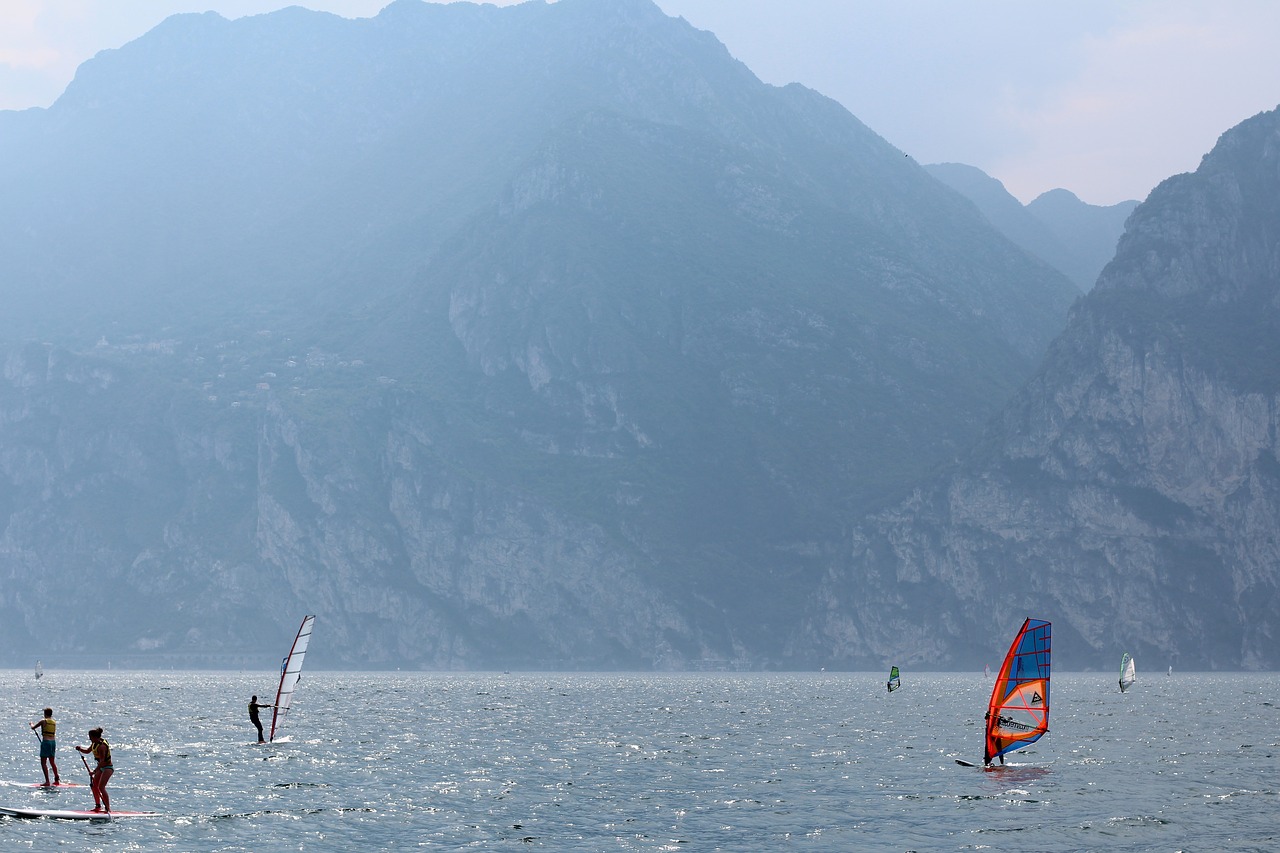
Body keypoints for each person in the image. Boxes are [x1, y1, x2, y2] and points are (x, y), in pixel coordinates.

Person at [75, 728, 112, 812]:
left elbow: (102, 762)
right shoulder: (94, 744)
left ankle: (108, 808)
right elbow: (87, 751)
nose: (89, 739)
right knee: (94, 785)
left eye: (90, 737)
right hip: (101, 767)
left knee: (101, 787)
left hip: (107, 768)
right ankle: (98, 806)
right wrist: (80, 749)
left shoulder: (102, 746)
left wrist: (94, 771)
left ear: (95, 737)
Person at [29, 707, 61, 786]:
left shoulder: (43, 721)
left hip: (46, 742)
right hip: (53, 742)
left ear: (45, 714)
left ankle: (47, 781)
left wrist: (31, 724)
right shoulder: (54, 722)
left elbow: (33, 727)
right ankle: (57, 779)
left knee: (43, 762)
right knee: (52, 761)